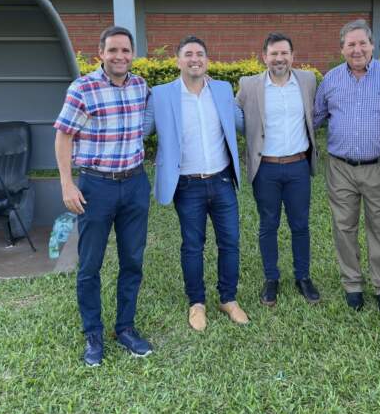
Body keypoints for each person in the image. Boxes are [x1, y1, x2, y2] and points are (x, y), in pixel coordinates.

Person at [54, 26, 153, 367]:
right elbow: (64, 137)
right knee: (90, 264)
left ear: (132, 53)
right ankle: (93, 334)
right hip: (96, 187)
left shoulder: (140, 86)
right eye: (113, 50)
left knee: (133, 261)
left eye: (126, 50)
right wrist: (67, 184)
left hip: (136, 183)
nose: (120, 56)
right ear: (101, 53)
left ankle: (125, 327)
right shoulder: (83, 88)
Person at [143, 36, 247, 332]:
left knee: (230, 242)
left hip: (222, 179)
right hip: (187, 185)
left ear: (207, 60)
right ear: (178, 61)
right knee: (192, 246)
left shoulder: (223, 89)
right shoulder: (161, 95)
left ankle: (228, 299)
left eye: (200, 54)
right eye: (188, 54)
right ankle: (197, 303)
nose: (194, 59)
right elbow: (142, 129)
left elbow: (242, 122)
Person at [313, 19, 380, 317]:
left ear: (372, 45)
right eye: (350, 44)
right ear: (342, 48)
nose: (357, 49)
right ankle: (352, 284)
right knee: (344, 227)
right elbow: (314, 118)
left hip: (379, 167)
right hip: (340, 168)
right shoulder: (330, 80)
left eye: (362, 43)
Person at [236, 33, 321, 306]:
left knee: (300, 224)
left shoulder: (307, 81)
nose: (279, 58)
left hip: (298, 166)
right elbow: (234, 117)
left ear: (292, 56)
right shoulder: (249, 86)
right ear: (265, 57)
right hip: (266, 169)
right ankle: (271, 278)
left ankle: (303, 277)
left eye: (284, 53)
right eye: (273, 54)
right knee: (268, 225)